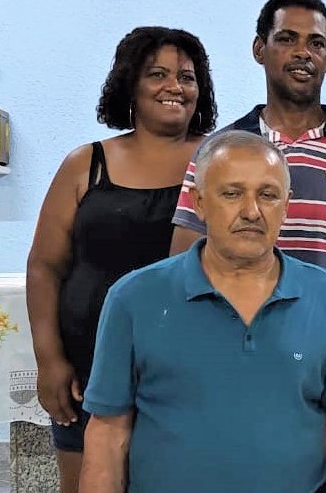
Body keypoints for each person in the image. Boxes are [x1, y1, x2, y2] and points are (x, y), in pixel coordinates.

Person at [80, 131, 326, 493]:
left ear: (286, 206)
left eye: (268, 195)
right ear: (199, 202)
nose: (251, 211)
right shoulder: (134, 298)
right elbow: (108, 431)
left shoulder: (324, 296)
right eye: (232, 193)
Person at [26, 26, 217, 493]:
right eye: (158, 74)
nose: (175, 86)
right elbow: (44, 266)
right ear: (130, 82)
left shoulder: (217, 161)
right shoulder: (84, 163)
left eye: (187, 77)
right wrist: (49, 360)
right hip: (86, 367)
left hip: (182, 369)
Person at [171, 0, 326, 349]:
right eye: (286, 39)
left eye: (316, 43)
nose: (302, 53)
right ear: (259, 49)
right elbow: (184, 263)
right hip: (227, 348)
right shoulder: (217, 151)